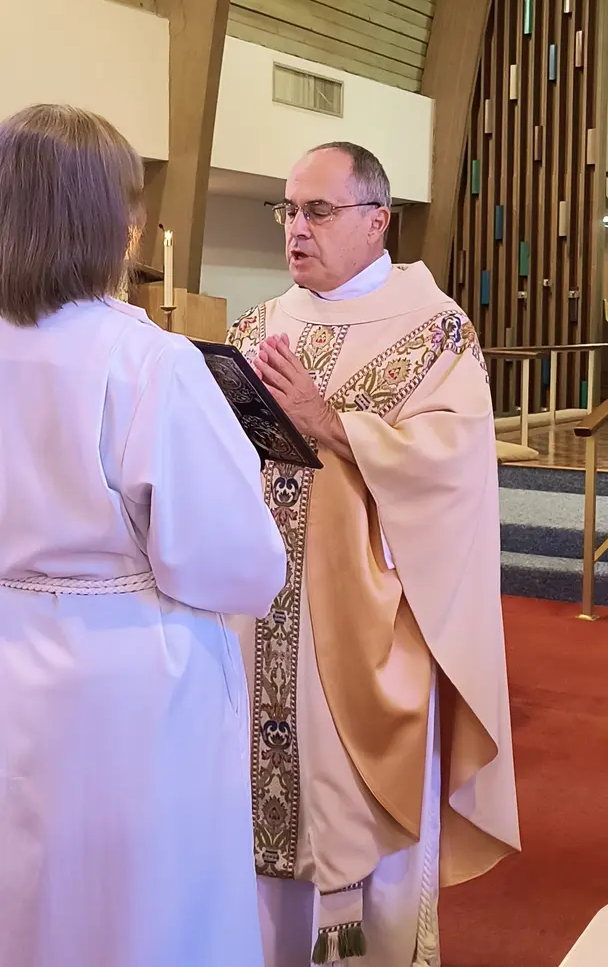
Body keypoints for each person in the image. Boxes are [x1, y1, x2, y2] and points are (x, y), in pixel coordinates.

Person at [0, 104, 286, 967]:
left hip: (12, 660)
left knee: (27, 895)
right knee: (143, 911)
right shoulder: (147, 360)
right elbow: (234, 562)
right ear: (114, 225)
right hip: (128, 681)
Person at [227, 142, 520, 967]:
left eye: (317, 211)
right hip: (258, 623)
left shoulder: (434, 332)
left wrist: (336, 428)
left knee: (357, 837)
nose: (296, 229)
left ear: (377, 220)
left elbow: (456, 472)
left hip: (364, 638)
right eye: (287, 210)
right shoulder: (259, 326)